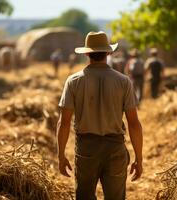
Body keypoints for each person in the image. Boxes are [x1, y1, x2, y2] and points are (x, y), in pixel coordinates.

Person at [57, 31, 143, 200]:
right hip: (115, 148)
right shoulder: (123, 81)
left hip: (86, 149)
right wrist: (139, 159)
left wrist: (61, 156)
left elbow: (64, 122)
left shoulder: (73, 81)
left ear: (87, 53)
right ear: (108, 52)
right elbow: (134, 124)